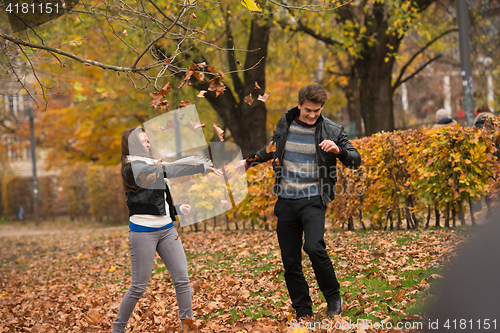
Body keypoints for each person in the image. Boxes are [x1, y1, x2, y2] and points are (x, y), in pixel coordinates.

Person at [238, 84, 361, 318]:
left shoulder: (332, 130)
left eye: (317, 110)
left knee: (314, 247)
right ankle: (303, 309)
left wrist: (338, 151)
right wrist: (247, 162)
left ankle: (333, 297)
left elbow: (355, 160)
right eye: (308, 110)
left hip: (313, 199)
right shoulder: (285, 123)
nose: (312, 115)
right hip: (286, 201)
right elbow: (272, 148)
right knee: (290, 260)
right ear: (299, 105)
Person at [112, 127, 221, 333]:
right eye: (144, 141)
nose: (148, 144)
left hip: (167, 229)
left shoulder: (151, 165)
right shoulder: (132, 168)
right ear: (133, 144)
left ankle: (187, 327)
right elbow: (167, 171)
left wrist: (176, 209)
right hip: (143, 231)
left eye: (148, 141)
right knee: (138, 286)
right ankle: (117, 329)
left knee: (182, 278)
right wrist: (199, 168)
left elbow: (157, 199)